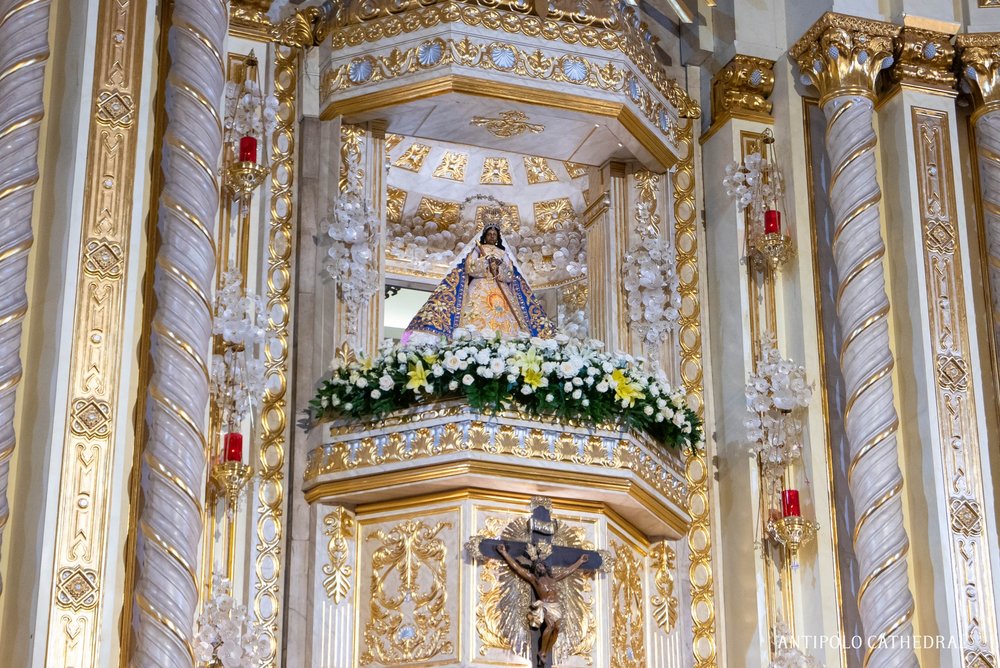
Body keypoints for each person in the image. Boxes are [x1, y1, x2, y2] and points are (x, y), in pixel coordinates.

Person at [403, 214, 554, 341]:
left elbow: (510, 275)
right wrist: (485, 262)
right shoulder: (477, 249)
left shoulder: (503, 253)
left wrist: (499, 266)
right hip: (480, 286)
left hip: (501, 290)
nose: (492, 236)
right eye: (489, 234)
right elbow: (470, 267)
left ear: (498, 237)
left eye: (494, 234)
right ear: (485, 236)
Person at [496, 543, 589, 664]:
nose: (540, 567)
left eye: (541, 565)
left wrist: (580, 561)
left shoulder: (553, 578)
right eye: (537, 566)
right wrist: (504, 553)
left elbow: (568, 571)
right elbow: (517, 568)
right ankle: (542, 651)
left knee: (557, 629)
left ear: (545, 567)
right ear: (535, 570)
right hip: (545, 605)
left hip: (556, 606)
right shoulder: (535, 579)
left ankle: (544, 652)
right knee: (550, 626)